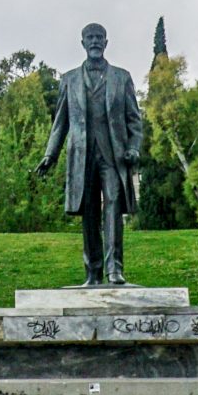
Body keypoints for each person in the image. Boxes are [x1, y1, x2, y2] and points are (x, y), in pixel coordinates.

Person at [36, 21, 144, 286]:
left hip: (113, 155)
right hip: (82, 156)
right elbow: (60, 123)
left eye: (99, 37)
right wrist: (50, 155)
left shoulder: (122, 77)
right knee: (89, 213)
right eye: (90, 37)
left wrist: (133, 147)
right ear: (82, 43)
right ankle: (93, 273)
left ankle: (114, 270)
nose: (95, 41)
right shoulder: (69, 80)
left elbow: (134, 120)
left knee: (113, 206)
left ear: (106, 43)